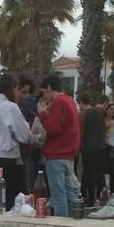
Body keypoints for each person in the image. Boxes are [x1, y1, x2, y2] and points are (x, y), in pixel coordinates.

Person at [0, 72, 36, 211]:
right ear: (12, 88)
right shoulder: (10, 107)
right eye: (19, 90)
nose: (20, 95)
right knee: (7, 200)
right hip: (6, 159)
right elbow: (24, 136)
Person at [38, 74, 81, 217]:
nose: (44, 96)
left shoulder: (59, 102)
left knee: (59, 195)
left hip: (56, 155)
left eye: (44, 92)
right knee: (71, 194)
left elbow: (53, 127)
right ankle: (73, 223)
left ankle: (60, 225)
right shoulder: (70, 101)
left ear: (49, 88)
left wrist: (43, 114)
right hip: (69, 154)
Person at [78, 92, 106, 205]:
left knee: (89, 172)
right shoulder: (99, 112)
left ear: (81, 102)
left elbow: (80, 131)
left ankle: (90, 197)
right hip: (100, 146)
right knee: (98, 171)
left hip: (88, 147)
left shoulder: (83, 114)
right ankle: (98, 194)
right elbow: (104, 128)